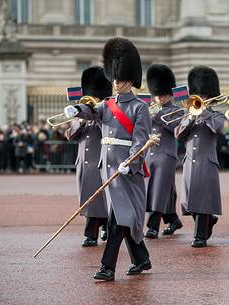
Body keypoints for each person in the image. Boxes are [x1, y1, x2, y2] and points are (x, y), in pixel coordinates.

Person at [63, 37, 151, 281]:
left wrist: (130, 162)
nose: (115, 83)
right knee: (122, 217)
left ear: (130, 81)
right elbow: (91, 113)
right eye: (114, 78)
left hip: (126, 172)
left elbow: (140, 141)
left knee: (119, 220)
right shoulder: (106, 104)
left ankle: (107, 267)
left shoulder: (139, 108)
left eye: (120, 79)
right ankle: (141, 258)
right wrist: (76, 110)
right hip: (107, 169)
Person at [174, 66, 229, 247]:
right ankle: (209, 220)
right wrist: (190, 118)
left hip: (207, 161)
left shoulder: (216, 114)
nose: (200, 98)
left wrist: (204, 113)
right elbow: (178, 134)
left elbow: (222, 129)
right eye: (197, 94)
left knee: (203, 199)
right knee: (189, 201)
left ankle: (200, 237)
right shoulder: (188, 113)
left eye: (203, 95)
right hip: (189, 161)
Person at [65, 66, 112, 247]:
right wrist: (80, 122)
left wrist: (94, 117)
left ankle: (94, 233)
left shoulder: (105, 112)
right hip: (83, 162)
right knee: (88, 198)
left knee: (98, 197)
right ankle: (99, 229)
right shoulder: (81, 115)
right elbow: (70, 135)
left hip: (98, 160)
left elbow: (108, 130)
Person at [144, 64, 183, 239]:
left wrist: (158, 115)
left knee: (159, 190)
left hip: (166, 155)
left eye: (161, 94)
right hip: (150, 154)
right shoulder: (150, 109)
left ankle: (153, 226)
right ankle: (173, 219)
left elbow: (176, 128)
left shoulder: (177, 110)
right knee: (160, 189)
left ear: (169, 94)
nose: (158, 97)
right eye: (156, 94)